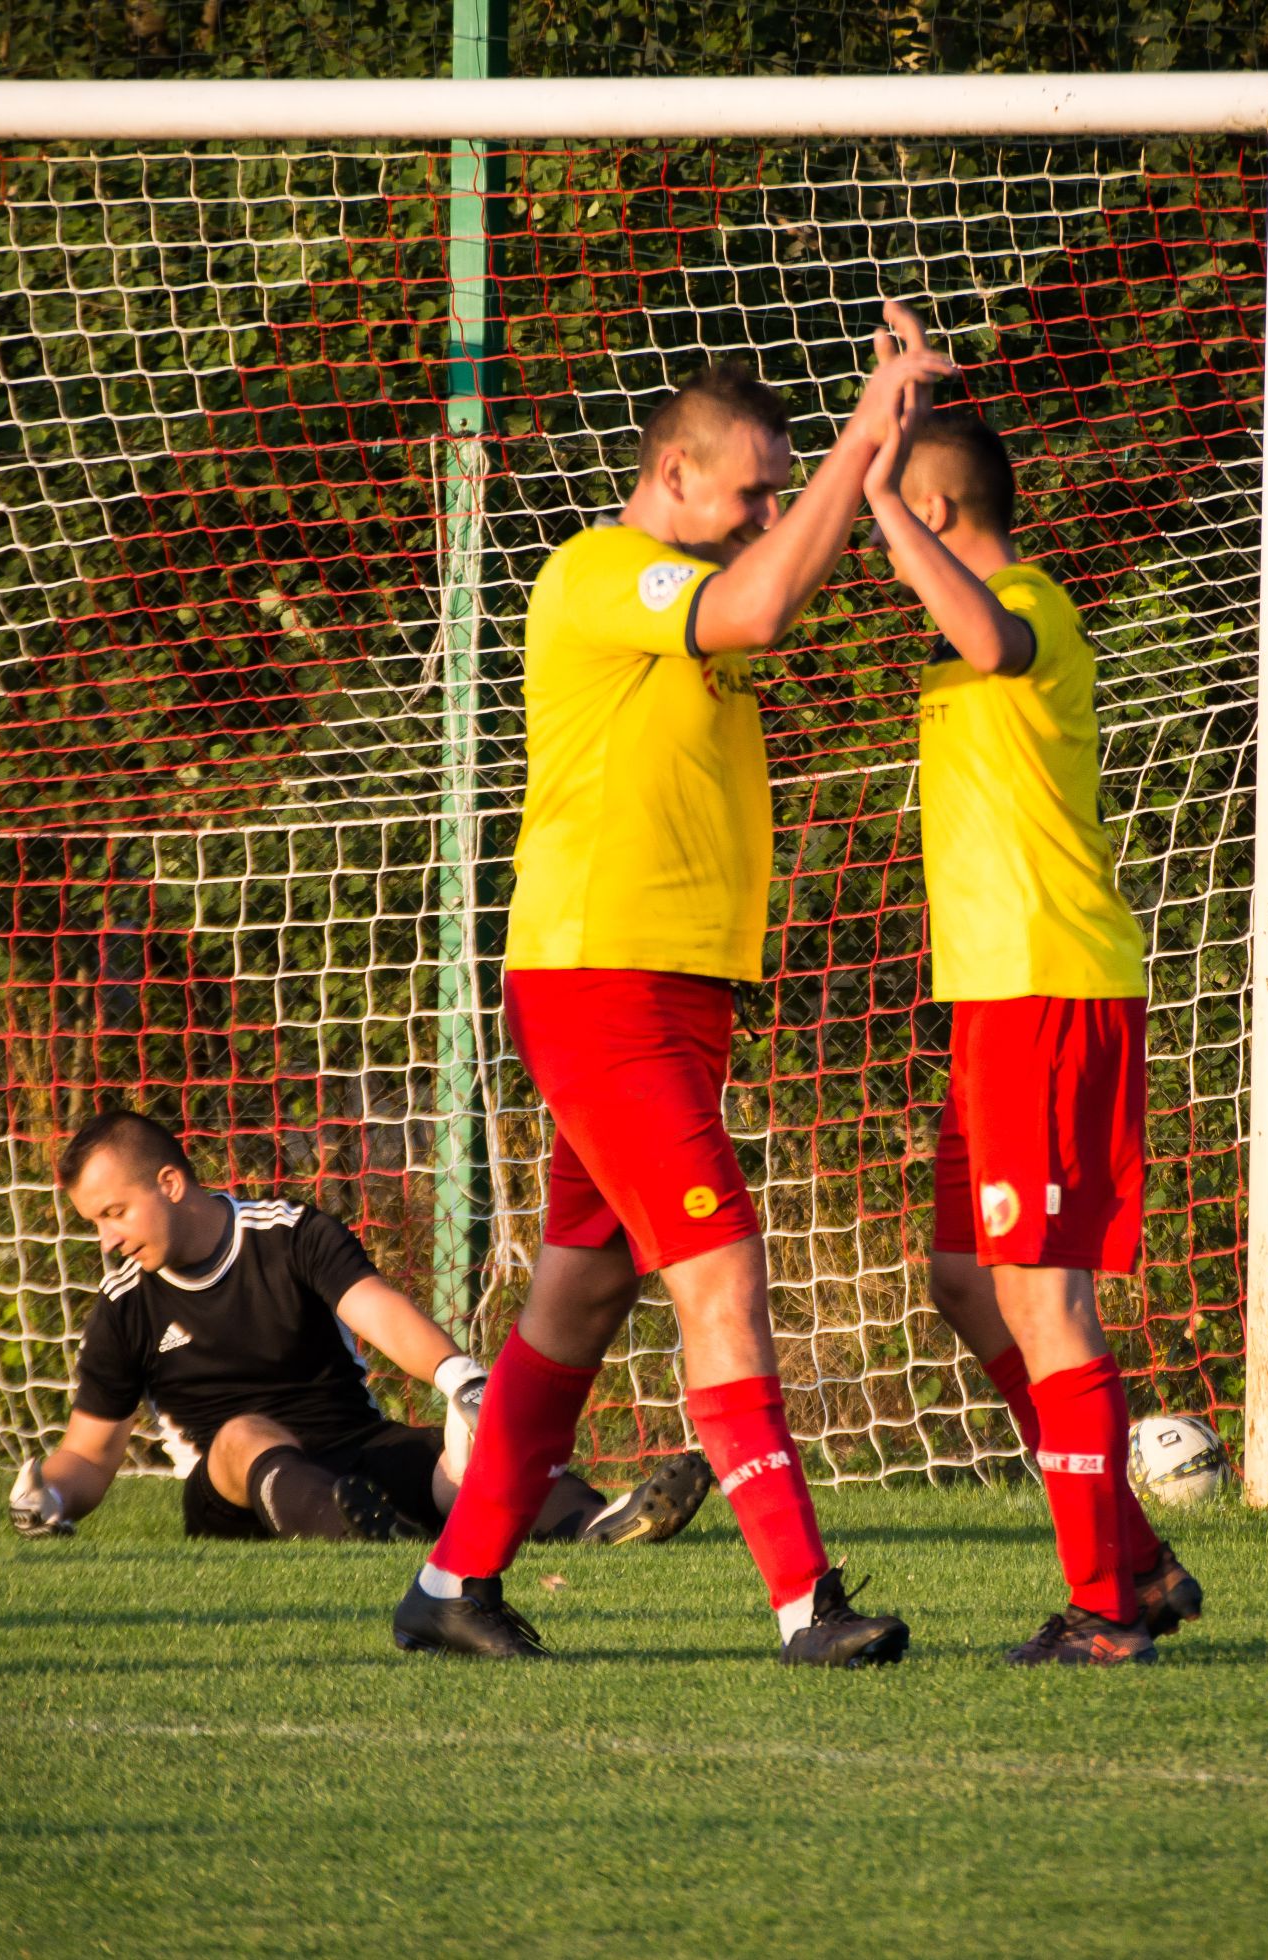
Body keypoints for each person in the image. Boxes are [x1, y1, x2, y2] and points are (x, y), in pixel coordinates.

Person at [390, 308, 957, 1666]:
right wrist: (871, 427)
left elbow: (765, 597)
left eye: (777, 491)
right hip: (599, 987)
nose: (766, 511)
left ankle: (452, 1585)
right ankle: (807, 1605)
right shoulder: (602, 567)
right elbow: (762, 597)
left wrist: (860, 459)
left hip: (669, 999)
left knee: (578, 1300)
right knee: (722, 1274)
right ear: (675, 475)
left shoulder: (691, 593)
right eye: (752, 487)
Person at [863, 399, 1204, 1665]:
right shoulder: (961, 642)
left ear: (938, 514)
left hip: (1047, 996)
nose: (879, 543)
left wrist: (880, 494)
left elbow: (992, 635)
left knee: (1047, 1301)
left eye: (899, 515)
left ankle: (1106, 1612)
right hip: (997, 1009)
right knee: (966, 1283)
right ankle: (1137, 1558)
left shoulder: (1034, 610)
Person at [9, 1108, 712, 1549]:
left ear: (168, 1184)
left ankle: (598, 1524)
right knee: (243, 1434)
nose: (105, 1239)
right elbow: (92, 1452)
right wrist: (51, 1493)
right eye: (95, 1223)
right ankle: (362, 1533)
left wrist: (458, 1377)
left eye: (112, 1214)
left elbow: (372, 1305)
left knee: (457, 1465)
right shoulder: (125, 1305)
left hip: (354, 1453)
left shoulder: (289, 1235)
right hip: (232, 1495)